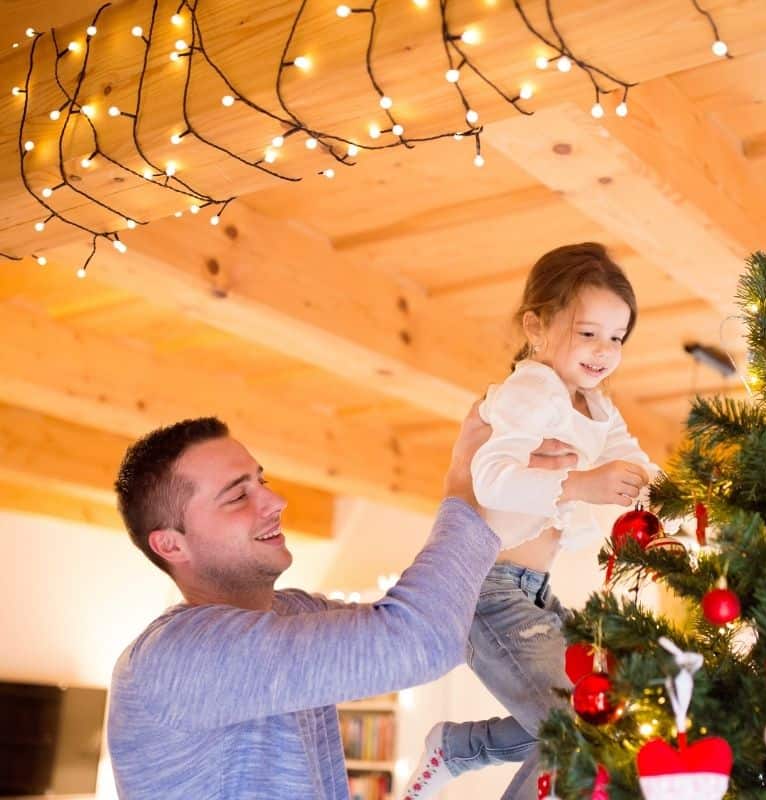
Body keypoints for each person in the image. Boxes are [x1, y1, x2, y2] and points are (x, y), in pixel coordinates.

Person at [106, 410, 576, 799]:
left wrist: (513, 501)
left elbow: (450, 624)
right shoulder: (176, 656)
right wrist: (466, 495)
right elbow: (417, 642)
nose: (275, 500)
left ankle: (466, 748)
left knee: (599, 724)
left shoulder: (290, 613)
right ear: (171, 545)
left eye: (261, 481)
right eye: (237, 496)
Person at [404, 243, 661, 800]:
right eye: (588, 332)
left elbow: (640, 465)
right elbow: (491, 476)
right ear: (536, 326)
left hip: (534, 592)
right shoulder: (531, 389)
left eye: (617, 337)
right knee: (580, 728)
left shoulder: (596, 405)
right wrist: (581, 485)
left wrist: (686, 498)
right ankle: (461, 750)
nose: (604, 351)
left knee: (602, 711)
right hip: (489, 591)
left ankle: (462, 748)